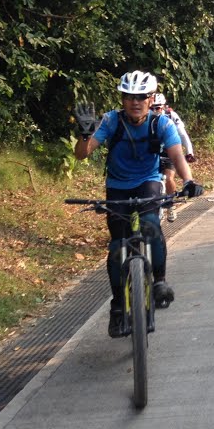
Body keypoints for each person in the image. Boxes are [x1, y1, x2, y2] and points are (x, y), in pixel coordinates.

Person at [73, 71, 203, 337]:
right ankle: (118, 307)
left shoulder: (161, 124)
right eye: (130, 97)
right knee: (117, 245)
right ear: (122, 98)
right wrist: (85, 136)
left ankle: (160, 282)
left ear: (151, 98)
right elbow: (81, 155)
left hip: (148, 182)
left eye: (142, 97)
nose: (136, 102)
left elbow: (176, 156)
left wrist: (188, 181)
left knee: (151, 224)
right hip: (117, 187)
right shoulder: (111, 121)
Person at [150, 92, 196, 223]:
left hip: (169, 151)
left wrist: (189, 152)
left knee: (169, 178)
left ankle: (170, 205)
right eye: (152, 108)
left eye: (158, 108)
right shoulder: (144, 118)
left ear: (164, 107)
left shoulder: (171, 116)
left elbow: (182, 134)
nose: (155, 111)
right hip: (153, 153)